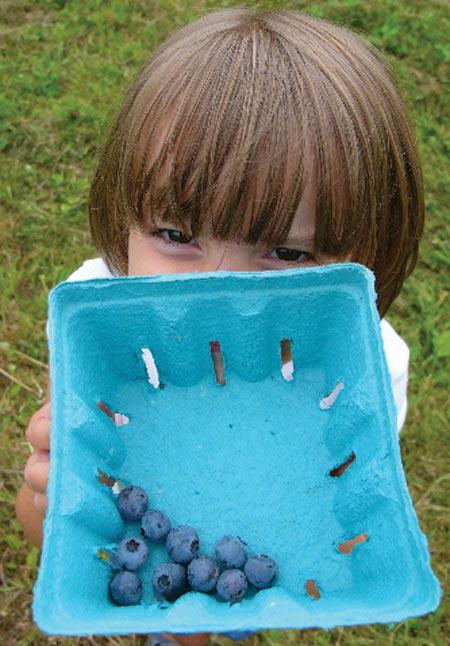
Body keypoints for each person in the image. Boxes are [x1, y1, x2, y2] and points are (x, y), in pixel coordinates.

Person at [15, 7, 422, 645]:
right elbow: (54, 543)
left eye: (287, 253)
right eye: (176, 236)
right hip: (156, 563)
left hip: (256, 562)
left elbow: (330, 518)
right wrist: (50, 503)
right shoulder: (101, 324)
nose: (216, 287)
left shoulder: (364, 366)